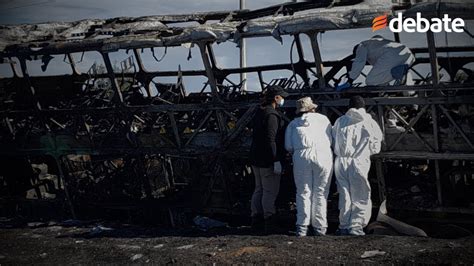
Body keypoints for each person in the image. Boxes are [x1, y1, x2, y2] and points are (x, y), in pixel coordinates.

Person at [332, 96, 383, 236]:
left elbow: (333, 139)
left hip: (341, 161)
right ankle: (356, 227)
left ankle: (343, 225)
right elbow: (376, 147)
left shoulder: (340, 121)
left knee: (344, 194)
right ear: (363, 107)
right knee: (360, 194)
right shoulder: (369, 122)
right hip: (359, 161)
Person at [284, 97, 333, 236]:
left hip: (302, 156)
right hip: (323, 155)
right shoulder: (324, 120)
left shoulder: (293, 124)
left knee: (303, 191)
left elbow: (288, 146)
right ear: (313, 108)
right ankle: (320, 227)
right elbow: (331, 138)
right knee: (321, 191)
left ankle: (302, 226)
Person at [249, 85, 288, 234]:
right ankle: (269, 220)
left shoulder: (259, 112)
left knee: (258, 189)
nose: (283, 99)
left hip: (255, 157)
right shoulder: (272, 115)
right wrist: (276, 159)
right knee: (269, 191)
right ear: (276, 98)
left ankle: (255, 219)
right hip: (267, 159)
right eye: (281, 97)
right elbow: (271, 139)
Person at [337, 35, 415, 90]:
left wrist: (350, 80)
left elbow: (359, 62)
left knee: (370, 81)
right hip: (408, 55)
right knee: (380, 79)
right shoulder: (376, 44)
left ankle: (399, 72)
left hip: (391, 55)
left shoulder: (361, 46)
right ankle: (401, 72)